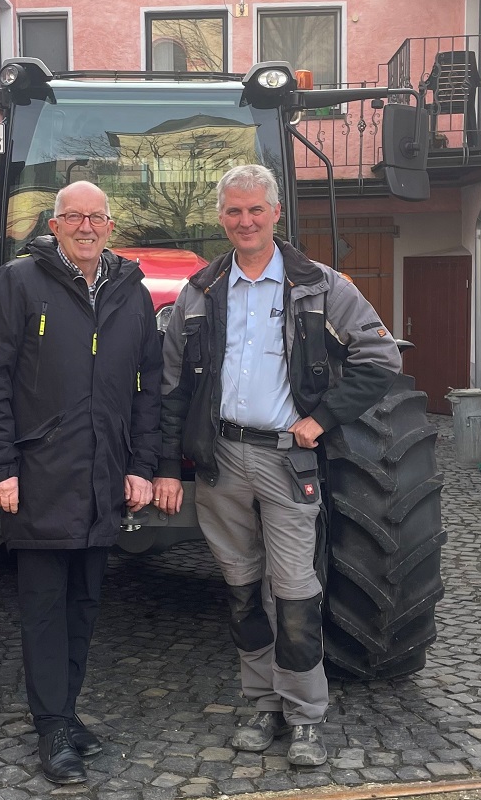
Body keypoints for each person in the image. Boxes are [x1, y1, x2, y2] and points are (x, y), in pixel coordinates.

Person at [152, 164, 402, 767]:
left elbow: (380, 357)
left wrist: (321, 420)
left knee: (293, 593)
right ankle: (261, 703)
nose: (245, 221)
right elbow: (170, 391)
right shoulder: (199, 294)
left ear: (276, 214)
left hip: (289, 460)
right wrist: (165, 464)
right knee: (241, 591)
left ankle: (306, 716)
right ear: (222, 218)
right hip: (221, 460)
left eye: (255, 210)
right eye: (234, 212)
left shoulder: (321, 287)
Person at [0, 181, 162, 785]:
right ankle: (52, 725)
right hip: (40, 477)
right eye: (72, 217)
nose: (85, 226)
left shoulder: (132, 295)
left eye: (95, 217)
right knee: (44, 608)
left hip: (104, 478)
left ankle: (66, 711)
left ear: (110, 226)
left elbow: (147, 389)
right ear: (54, 226)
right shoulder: (17, 283)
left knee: (84, 603)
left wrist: (142, 465)